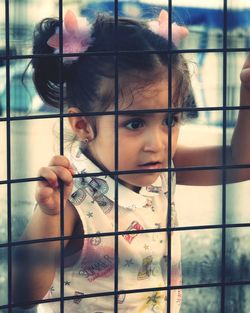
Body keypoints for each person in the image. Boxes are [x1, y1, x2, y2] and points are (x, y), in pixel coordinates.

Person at [12, 9, 250, 313]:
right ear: (83, 125)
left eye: (170, 119)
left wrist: (247, 92)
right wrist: (47, 215)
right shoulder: (72, 196)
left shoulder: (163, 168)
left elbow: (239, 163)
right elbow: (22, 295)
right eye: (135, 123)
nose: (157, 143)